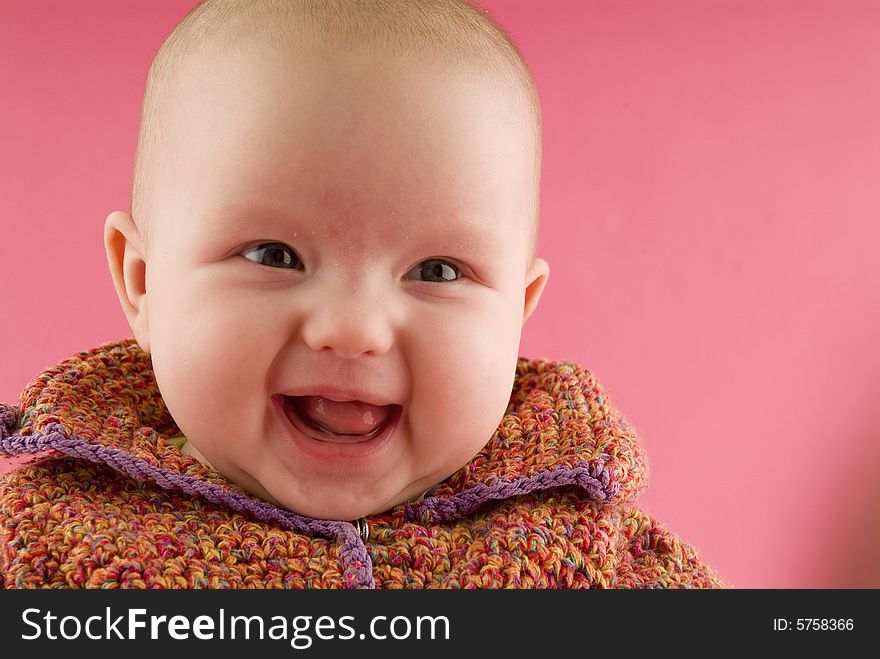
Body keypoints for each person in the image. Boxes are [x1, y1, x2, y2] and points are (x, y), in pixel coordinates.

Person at [0, 0, 725, 588]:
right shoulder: (45, 536)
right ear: (143, 280)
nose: (353, 328)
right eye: (274, 255)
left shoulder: (585, 539)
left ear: (517, 313)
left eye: (438, 271)